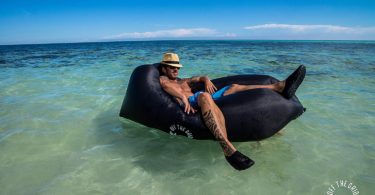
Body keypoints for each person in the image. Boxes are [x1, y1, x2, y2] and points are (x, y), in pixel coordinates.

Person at [159, 52, 306, 170]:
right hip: (194, 101)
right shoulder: (163, 80)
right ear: (164, 67)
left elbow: (199, 78)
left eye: (177, 67)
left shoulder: (184, 80)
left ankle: (279, 87)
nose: (176, 69)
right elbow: (166, 87)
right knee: (203, 95)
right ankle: (227, 149)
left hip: (208, 97)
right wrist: (183, 99)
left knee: (234, 86)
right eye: (172, 67)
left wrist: (206, 80)